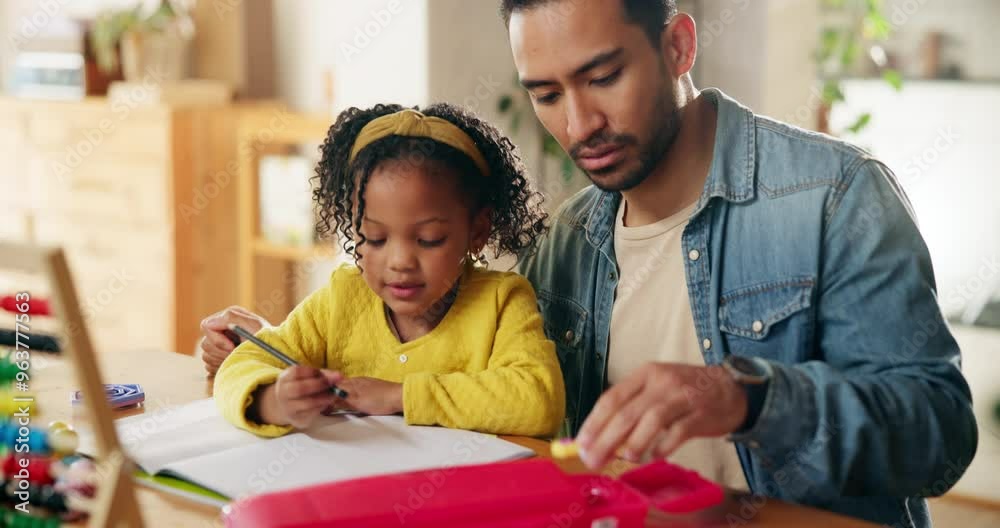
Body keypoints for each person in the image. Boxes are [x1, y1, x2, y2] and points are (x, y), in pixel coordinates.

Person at [201, 1, 978, 525]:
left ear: (677, 44)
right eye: (544, 93)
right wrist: (277, 352)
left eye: (603, 77)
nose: (577, 124)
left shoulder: (834, 197)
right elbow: (480, 377)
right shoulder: (571, 240)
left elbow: (940, 438)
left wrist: (745, 397)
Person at [212, 103, 565, 439]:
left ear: (476, 232)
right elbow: (241, 365)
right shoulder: (341, 300)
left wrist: (400, 396)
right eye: (376, 238)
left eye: (428, 239)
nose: (400, 262)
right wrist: (273, 400)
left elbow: (538, 400)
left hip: (457, 497)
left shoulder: (502, 302)